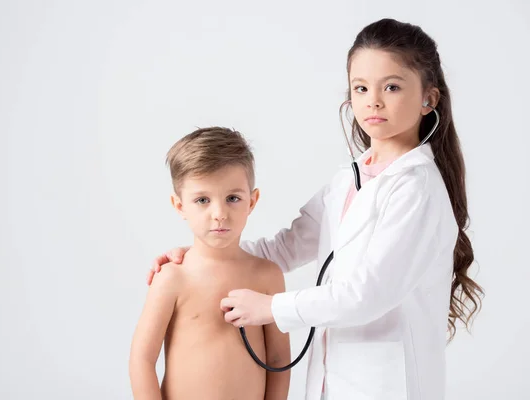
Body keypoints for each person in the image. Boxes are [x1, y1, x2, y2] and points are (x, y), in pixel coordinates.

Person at [146, 18, 484, 400]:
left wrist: (272, 308)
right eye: (361, 88)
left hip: (389, 384)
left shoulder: (417, 188)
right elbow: (285, 248)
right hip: (333, 380)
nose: (373, 99)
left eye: (391, 86)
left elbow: (367, 294)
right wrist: (202, 256)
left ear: (429, 99)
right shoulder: (350, 180)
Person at [129, 127, 291, 400]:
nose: (219, 214)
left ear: (252, 201)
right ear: (179, 206)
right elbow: (142, 359)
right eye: (202, 200)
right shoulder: (172, 277)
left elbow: (277, 360)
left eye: (233, 198)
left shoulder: (267, 276)